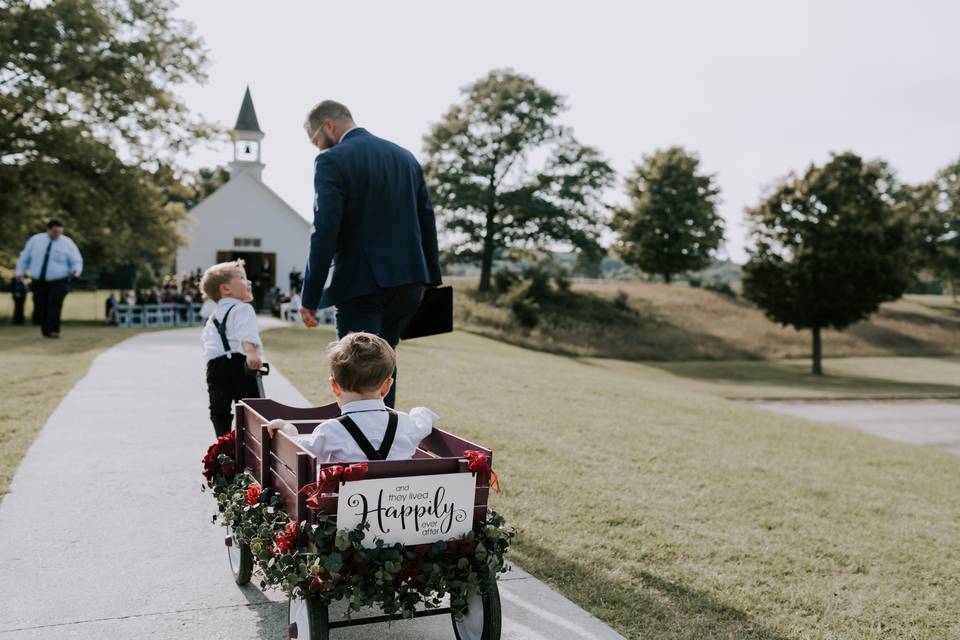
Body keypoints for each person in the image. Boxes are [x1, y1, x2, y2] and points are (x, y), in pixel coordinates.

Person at [299, 100, 443, 408]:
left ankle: (359, 448)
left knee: (354, 366)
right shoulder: (405, 157)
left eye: (315, 139)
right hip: (408, 283)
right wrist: (430, 280)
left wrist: (309, 297)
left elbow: (324, 231)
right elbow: (426, 219)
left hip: (359, 282)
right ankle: (386, 443)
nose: (317, 147)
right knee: (384, 362)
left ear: (328, 125)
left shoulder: (331, 161)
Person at [267, 332, 437, 463]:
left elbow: (299, 450)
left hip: (345, 508)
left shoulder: (330, 430)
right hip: (398, 506)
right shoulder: (404, 423)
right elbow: (422, 423)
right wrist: (420, 411)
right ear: (386, 386)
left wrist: (288, 429)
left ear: (334, 386)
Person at [200, 260, 264, 438]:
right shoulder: (243, 308)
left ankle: (224, 444)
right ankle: (251, 444)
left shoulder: (213, 316)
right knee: (251, 409)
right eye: (242, 278)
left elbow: (206, 342)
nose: (249, 282)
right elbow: (245, 332)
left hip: (215, 367)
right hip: (239, 364)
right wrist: (251, 352)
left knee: (219, 410)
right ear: (226, 289)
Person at [15, 219, 83, 338]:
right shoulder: (35, 241)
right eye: (54, 232)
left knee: (54, 305)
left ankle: (54, 330)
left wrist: (75, 271)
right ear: (49, 230)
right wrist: (19, 272)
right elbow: (24, 257)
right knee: (41, 305)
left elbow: (76, 261)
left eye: (59, 232)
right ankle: (46, 330)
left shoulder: (67, 243)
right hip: (39, 280)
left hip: (59, 280)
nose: (57, 235)